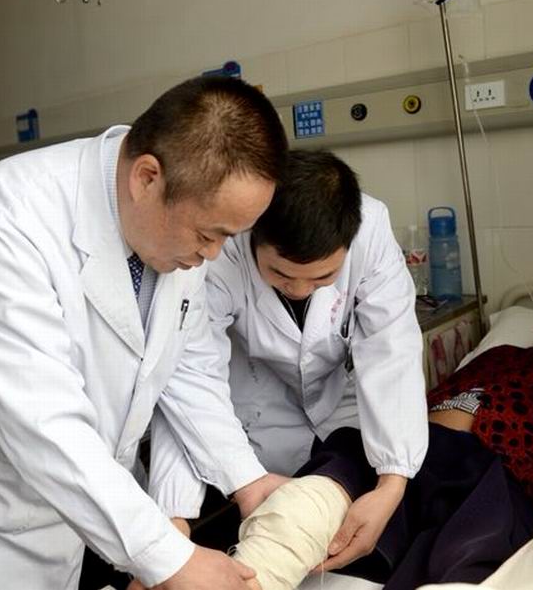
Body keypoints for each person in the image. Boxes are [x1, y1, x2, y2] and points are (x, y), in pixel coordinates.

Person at [0, 76, 291, 590]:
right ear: (147, 178)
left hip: (82, 508)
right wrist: (171, 558)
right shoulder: (1, 224)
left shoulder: (173, 228)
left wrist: (246, 478)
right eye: (207, 234)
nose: (213, 254)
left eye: (227, 238)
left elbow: (188, 369)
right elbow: (42, 422)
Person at [250, 295, 533, 588]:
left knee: (466, 556)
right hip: (409, 454)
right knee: (326, 488)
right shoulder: (504, 354)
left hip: (501, 475)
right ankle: (257, 573)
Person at [147, 149, 428, 575]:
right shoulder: (226, 248)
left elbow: (392, 352)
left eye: (323, 277)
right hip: (254, 411)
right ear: (254, 235)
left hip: (339, 410)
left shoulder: (369, 231)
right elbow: (189, 371)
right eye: (280, 274)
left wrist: (392, 483)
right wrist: (175, 518)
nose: (298, 290)